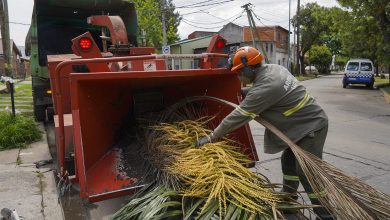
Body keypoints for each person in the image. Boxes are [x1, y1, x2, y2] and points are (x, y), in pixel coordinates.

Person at [196, 46, 333, 219]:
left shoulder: (266, 88)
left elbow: (238, 116)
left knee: (306, 172)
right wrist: (243, 92)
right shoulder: (275, 69)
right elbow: (264, 91)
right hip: (301, 126)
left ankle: (325, 213)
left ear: (248, 68)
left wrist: (211, 136)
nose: (238, 76)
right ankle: (288, 202)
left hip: (311, 127)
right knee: (288, 162)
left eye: (239, 72)